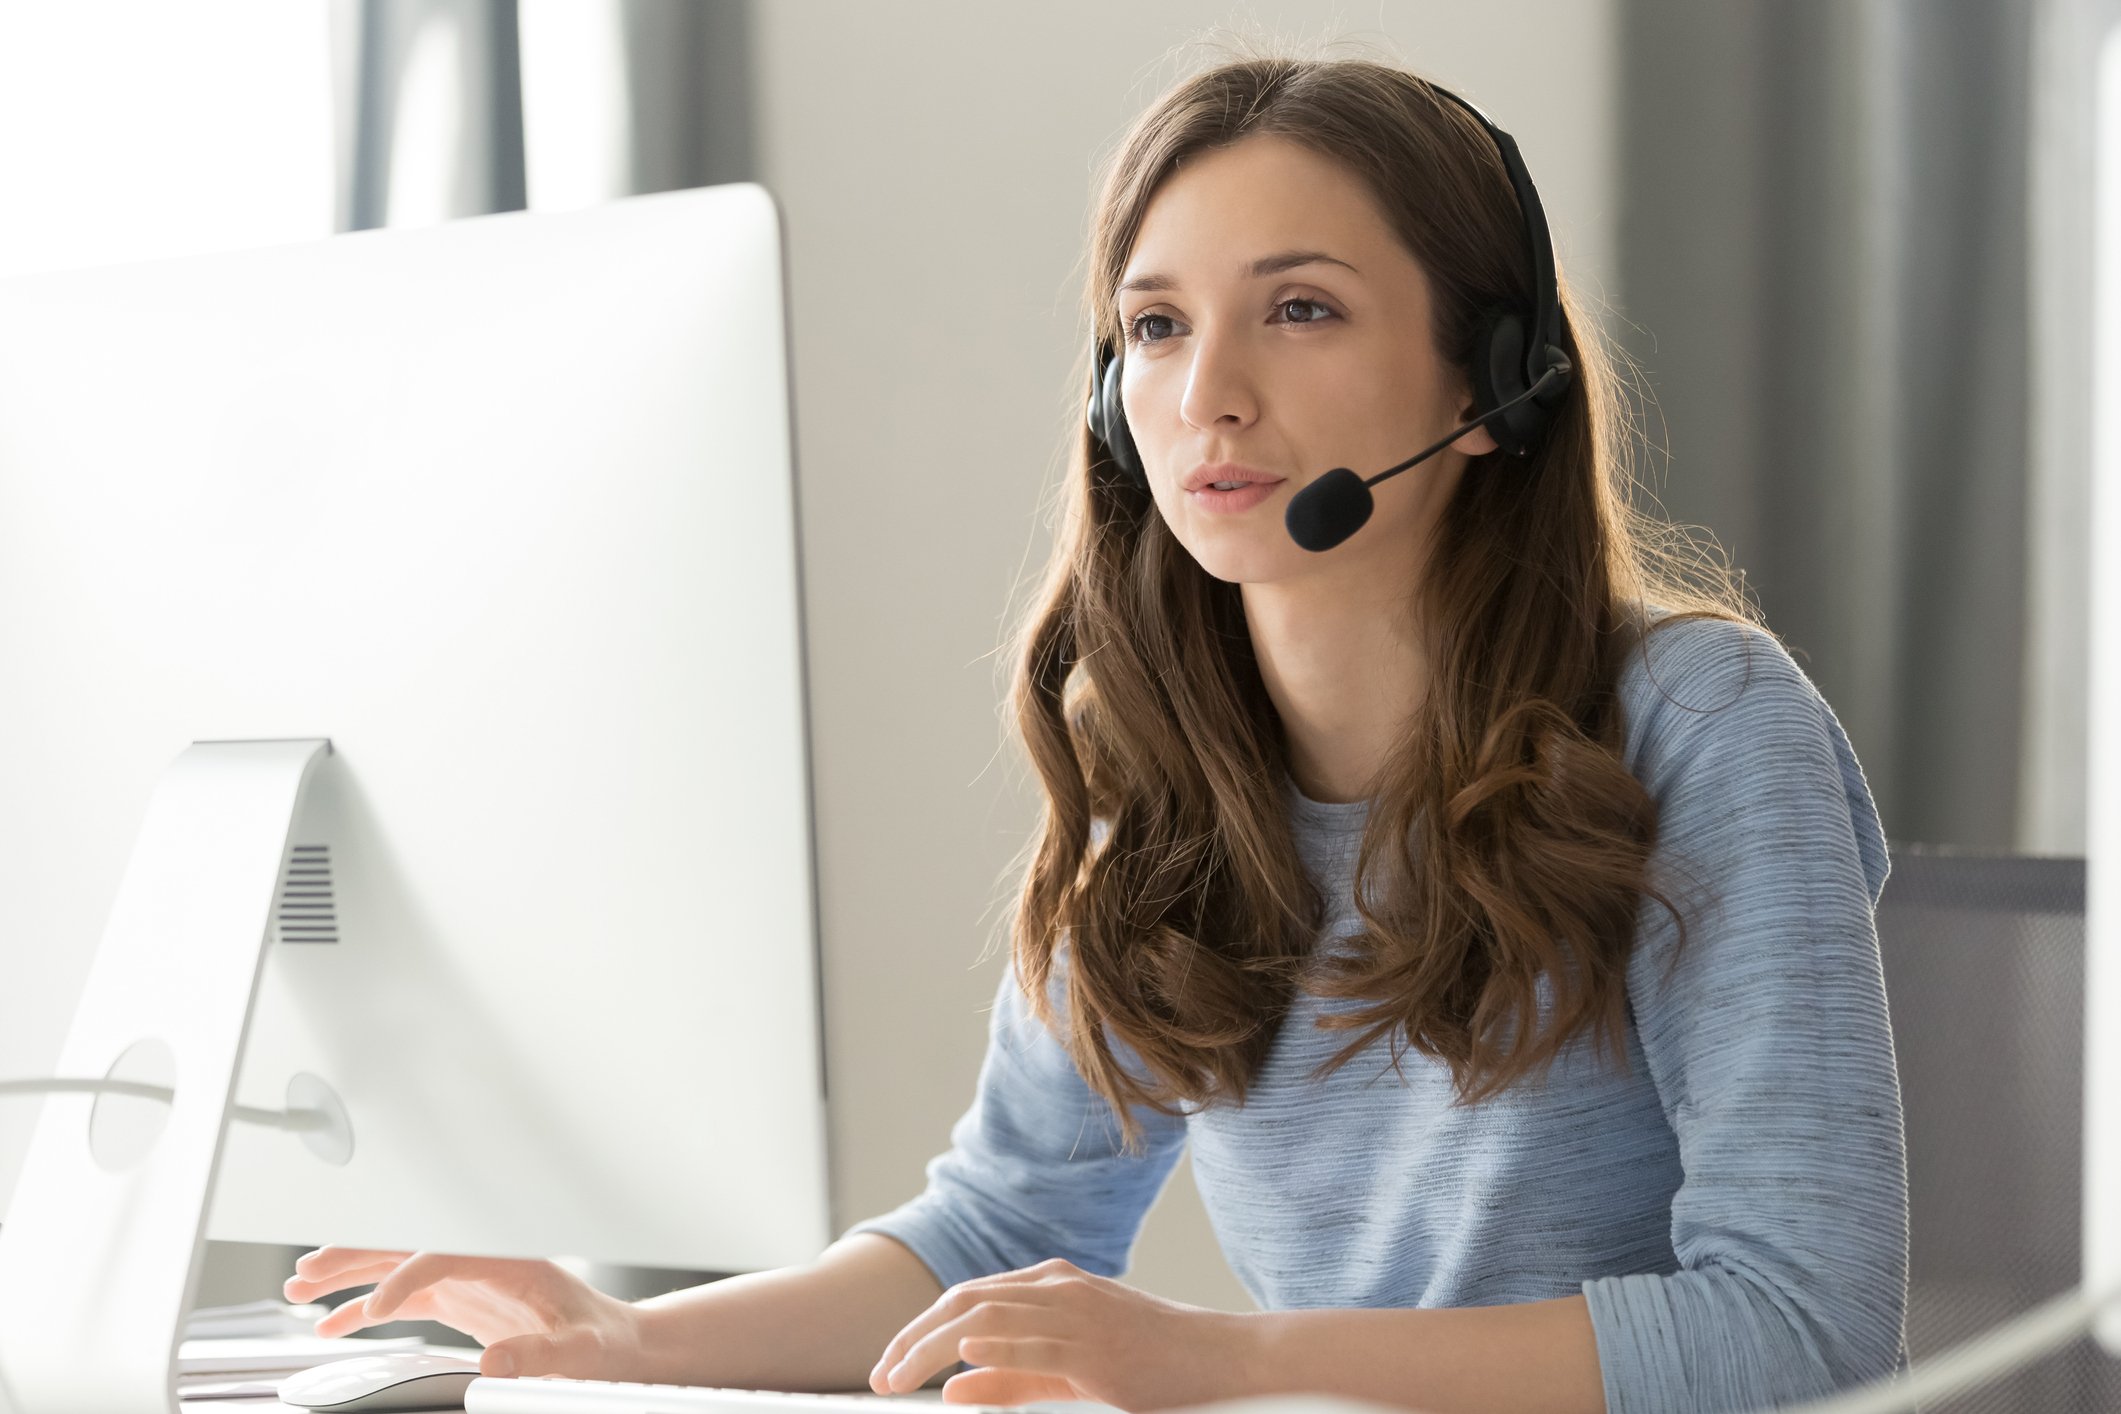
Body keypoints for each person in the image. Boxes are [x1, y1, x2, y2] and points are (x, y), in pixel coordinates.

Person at [284, 53, 1911, 1414]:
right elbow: (997, 1220)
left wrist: (1223, 1361)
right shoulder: (1169, 781)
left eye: (1299, 311)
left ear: (1492, 385)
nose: (1206, 392)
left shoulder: (1699, 725)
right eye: (1152, 326)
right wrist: (626, 1340)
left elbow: (1792, 1325)